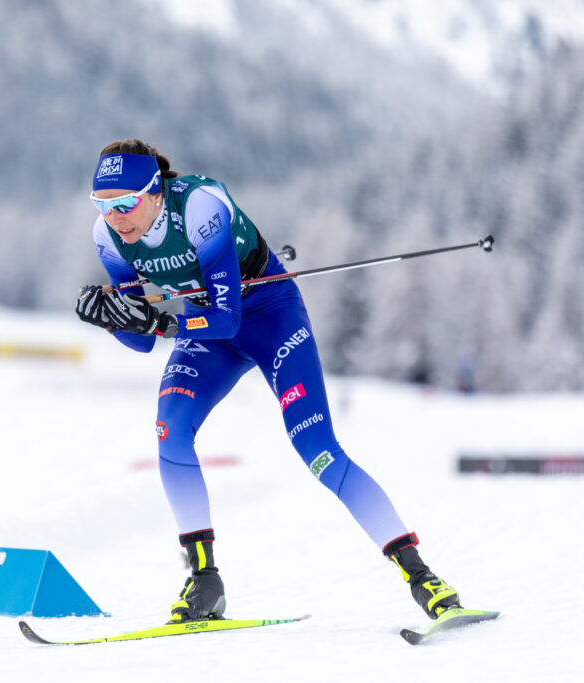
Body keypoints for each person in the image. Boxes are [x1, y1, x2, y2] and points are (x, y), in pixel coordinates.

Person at [76, 139, 463, 624]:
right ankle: (204, 581)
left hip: (268, 316)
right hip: (206, 327)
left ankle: (422, 577)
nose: (116, 217)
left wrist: (159, 323)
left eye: (126, 202)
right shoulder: (107, 236)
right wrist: (111, 318)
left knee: (318, 450)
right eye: (104, 205)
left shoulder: (200, 207)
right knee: (169, 429)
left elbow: (228, 317)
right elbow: (142, 340)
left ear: (156, 191)